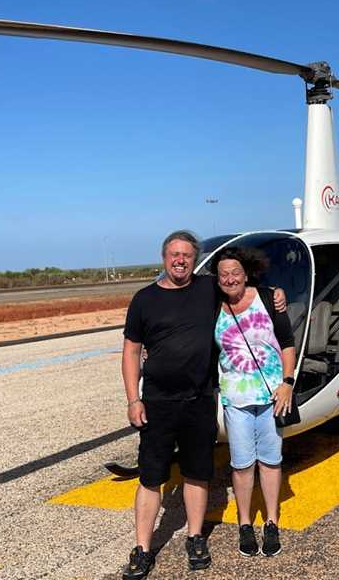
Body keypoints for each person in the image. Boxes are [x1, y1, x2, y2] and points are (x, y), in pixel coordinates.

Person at [120, 231, 285, 577]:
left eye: (187, 255)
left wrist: (276, 293)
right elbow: (131, 351)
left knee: (197, 473)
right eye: (174, 254)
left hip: (199, 400)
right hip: (157, 402)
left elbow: (241, 281)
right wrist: (133, 398)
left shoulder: (207, 288)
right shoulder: (144, 299)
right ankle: (142, 548)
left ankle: (196, 538)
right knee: (151, 477)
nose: (180, 260)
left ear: (195, 260)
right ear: (164, 257)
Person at [210, 246, 296, 558]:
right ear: (217, 280)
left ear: (246, 273)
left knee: (271, 461)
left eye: (235, 272)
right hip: (236, 398)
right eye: (223, 275)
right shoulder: (214, 306)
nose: (230, 279)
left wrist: (288, 383)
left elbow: (287, 342)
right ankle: (245, 523)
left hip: (274, 396)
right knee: (242, 464)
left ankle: (271, 521)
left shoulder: (269, 298)